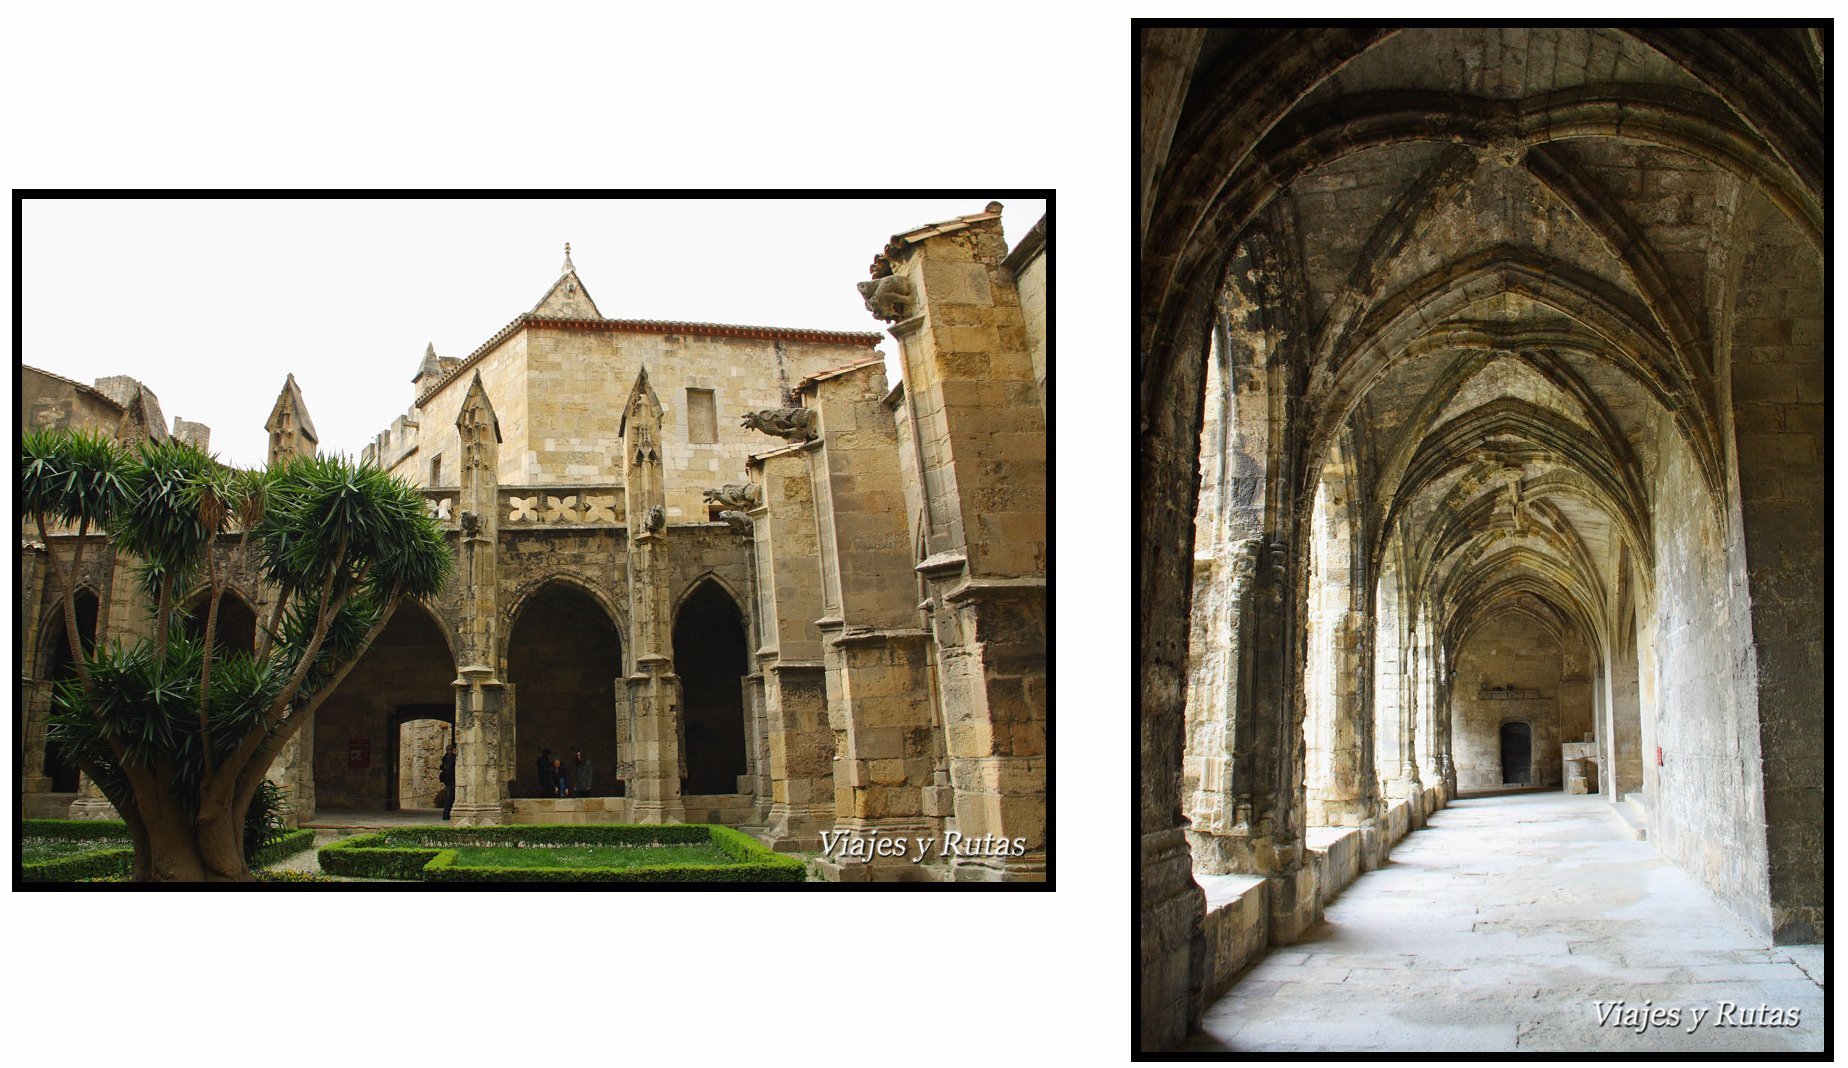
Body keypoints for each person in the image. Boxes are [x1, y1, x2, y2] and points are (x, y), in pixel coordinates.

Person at [439, 742, 457, 820]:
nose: (449, 751)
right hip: (450, 781)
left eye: (450, 749)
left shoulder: (447, 757)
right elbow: (446, 768)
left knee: (449, 797)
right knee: (450, 797)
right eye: (448, 749)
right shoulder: (449, 758)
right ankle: (446, 815)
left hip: (449, 780)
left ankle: (447, 814)